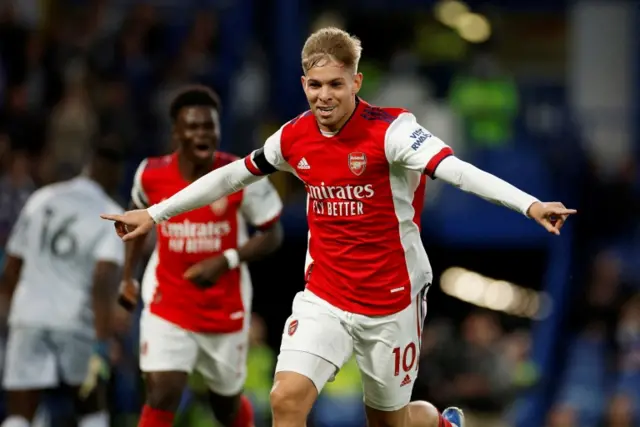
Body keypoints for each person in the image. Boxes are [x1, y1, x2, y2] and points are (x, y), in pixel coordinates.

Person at [102, 28, 577, 427]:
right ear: (303, 83)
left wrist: (529, 204)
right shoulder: (294, 136)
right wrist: (154, 213)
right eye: (314, 85)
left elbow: (456, 169)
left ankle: (439, 422)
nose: (324, 96)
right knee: (286, 398)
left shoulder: (393, 131)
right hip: (325, 296)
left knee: (388, 421)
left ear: (356, 81)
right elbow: (231, 176)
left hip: (391, 298)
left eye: (335, 84)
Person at [118, 86, 284, 427]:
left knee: (225, 406)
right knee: (162, 392)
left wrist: (226, 260)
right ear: (176, 132)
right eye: (192, 127)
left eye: (209, 126)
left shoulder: (241, 174)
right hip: (169, 301)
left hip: (223, 308)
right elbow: (137, 222)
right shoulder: (150, 174)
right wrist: (127, 278)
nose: (202, 134)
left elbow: (274, 233)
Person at [0, 146, 126, 427]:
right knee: (91, 408)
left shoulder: (43, 198)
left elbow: (11, 267)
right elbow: (103, 280)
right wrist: (103, 342)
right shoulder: (112, 213)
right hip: (75, 321)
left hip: (28, 315)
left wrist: (12, 314)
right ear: (117, 174)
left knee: (20, 412)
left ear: (89, 164)